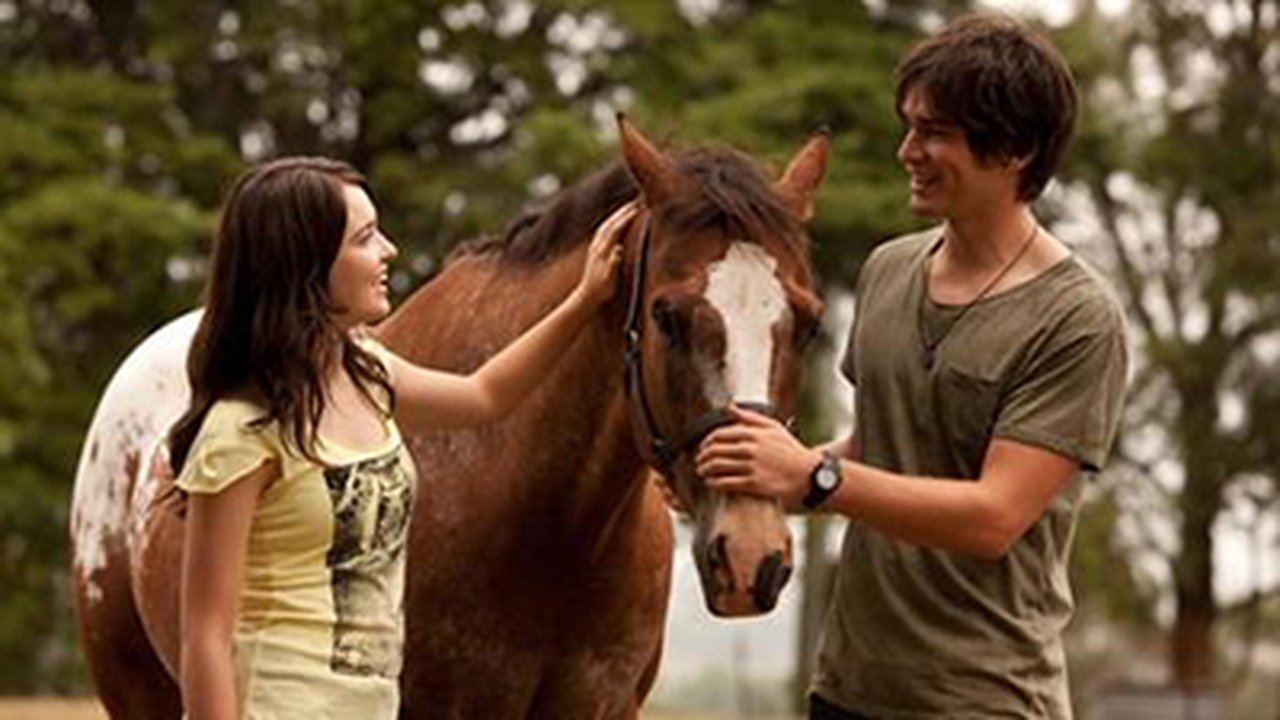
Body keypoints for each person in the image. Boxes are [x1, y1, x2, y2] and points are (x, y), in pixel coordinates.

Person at [696, 13, 1128, 719]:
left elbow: (994, 516)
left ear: (1015, 148)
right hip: (846, 689)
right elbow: (879, 449)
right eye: (908, 127)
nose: (908, 151)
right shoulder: (889, 270)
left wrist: (814, 476)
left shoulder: (1077, 319)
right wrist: (757, 473)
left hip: (983, 701)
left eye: (934, 133)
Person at [168, 157, 634, 720]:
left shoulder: (367, 374)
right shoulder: (240, 432)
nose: (388, 250)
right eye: (365, 238)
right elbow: (206, 636)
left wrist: (584, 299)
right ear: (305, 264)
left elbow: (487, 395)